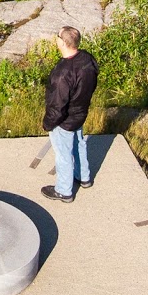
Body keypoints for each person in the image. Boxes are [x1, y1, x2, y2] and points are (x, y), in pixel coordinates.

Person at [40, 25, 98, 203]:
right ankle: (84, 177)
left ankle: (64, 191)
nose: (56, 38)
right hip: (80, 112)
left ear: (63, 42)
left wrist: (48, 123)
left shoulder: (63, 73)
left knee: (63, 153)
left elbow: (57, 105)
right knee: (79, 144)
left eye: (57, 36)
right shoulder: (87, 59)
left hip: (64, 119)